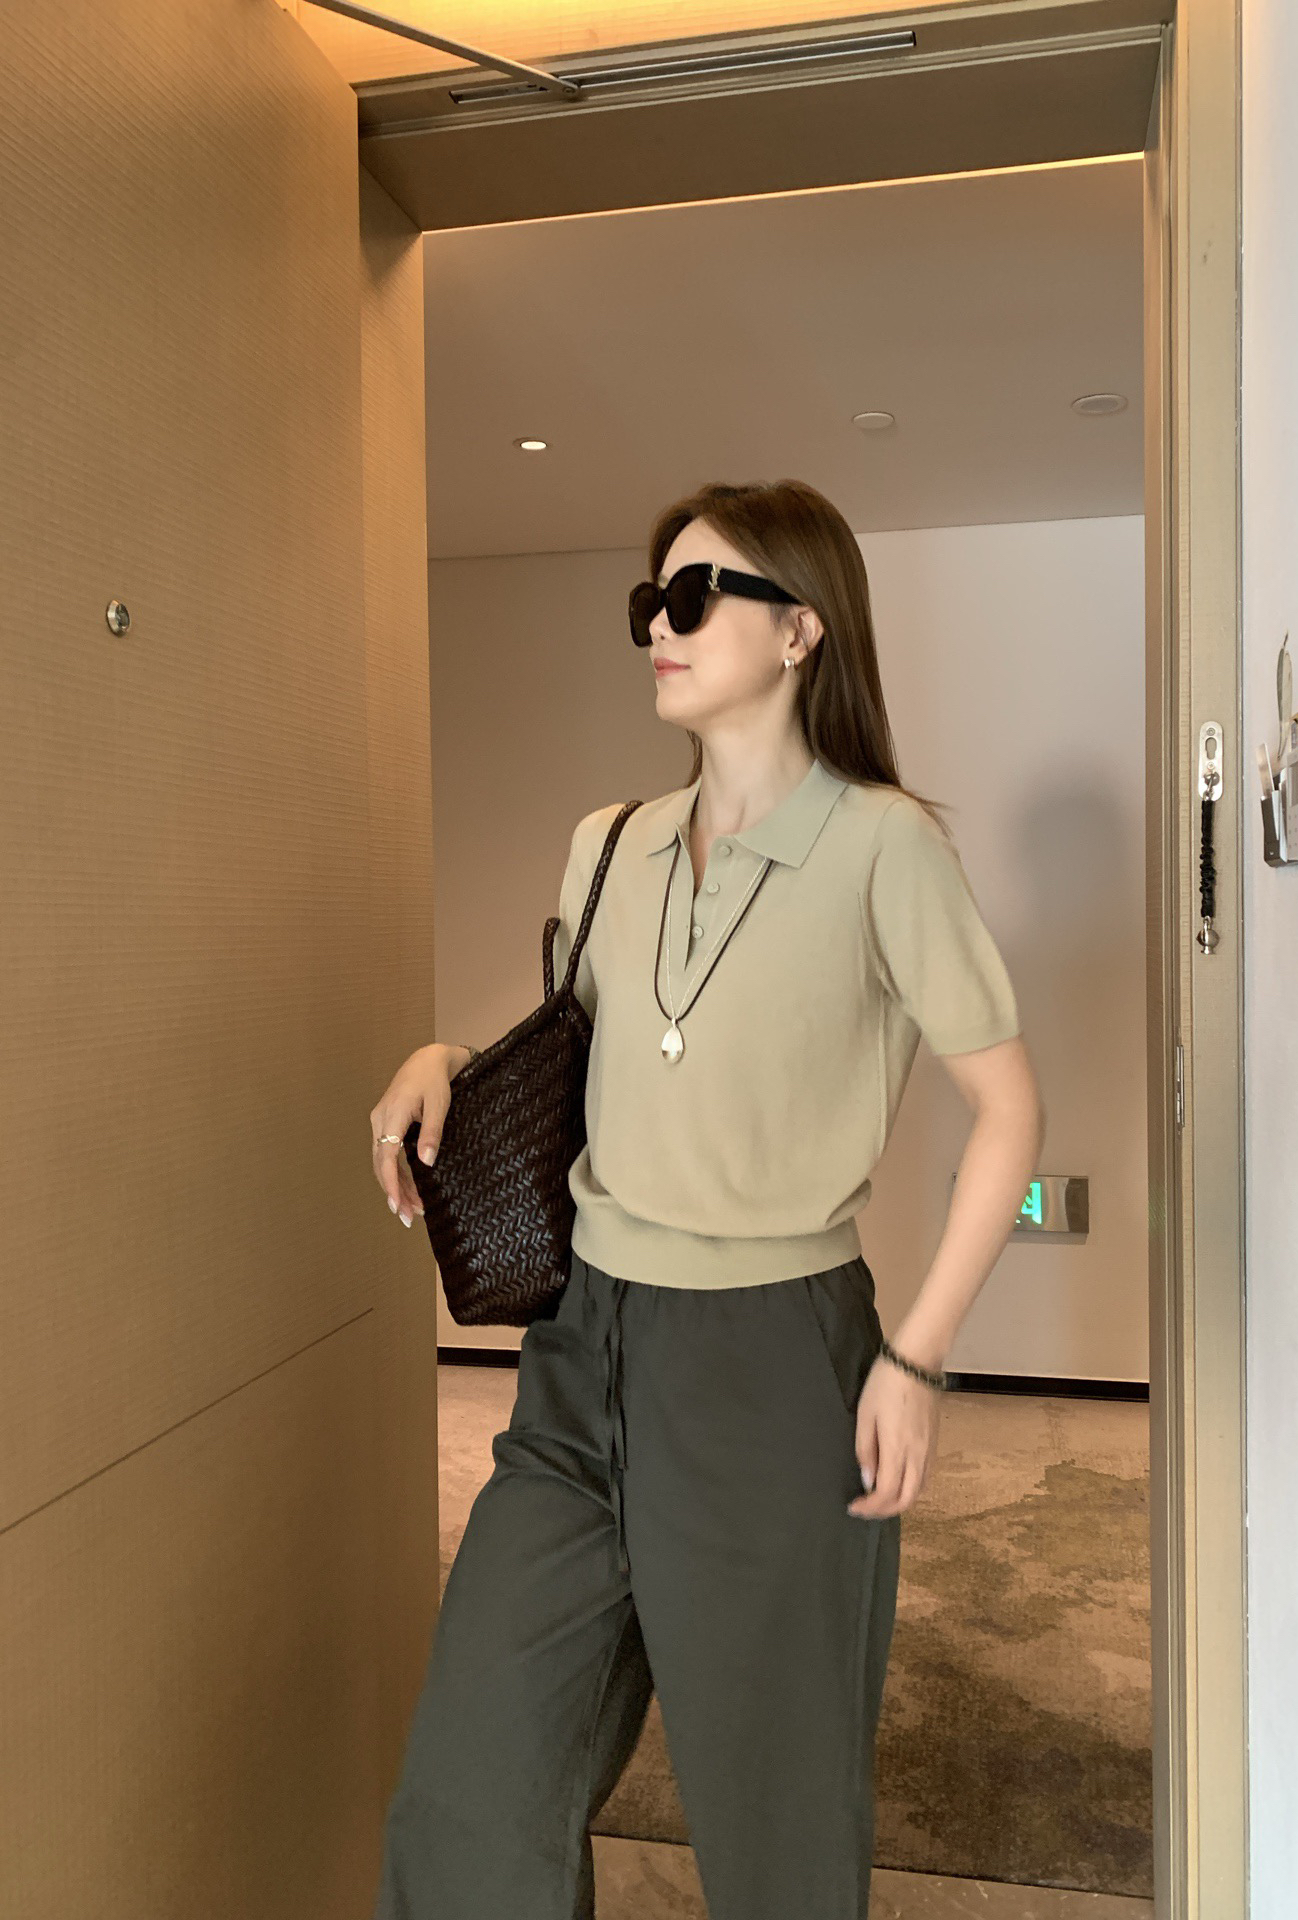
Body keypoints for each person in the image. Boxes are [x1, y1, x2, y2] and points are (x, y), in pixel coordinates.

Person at [366, 479, 1045, 1920]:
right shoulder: (608, 842)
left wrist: (916, 1357)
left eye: (692, 598)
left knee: (774, 1827)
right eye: (648, 604)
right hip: (581, 1353)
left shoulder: (883, 846)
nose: (657, 630)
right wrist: (446, 1061)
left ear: (801, 629)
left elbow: (1009, 1111)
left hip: (771, 1360)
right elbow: (579, 1055)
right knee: (470, 1790)